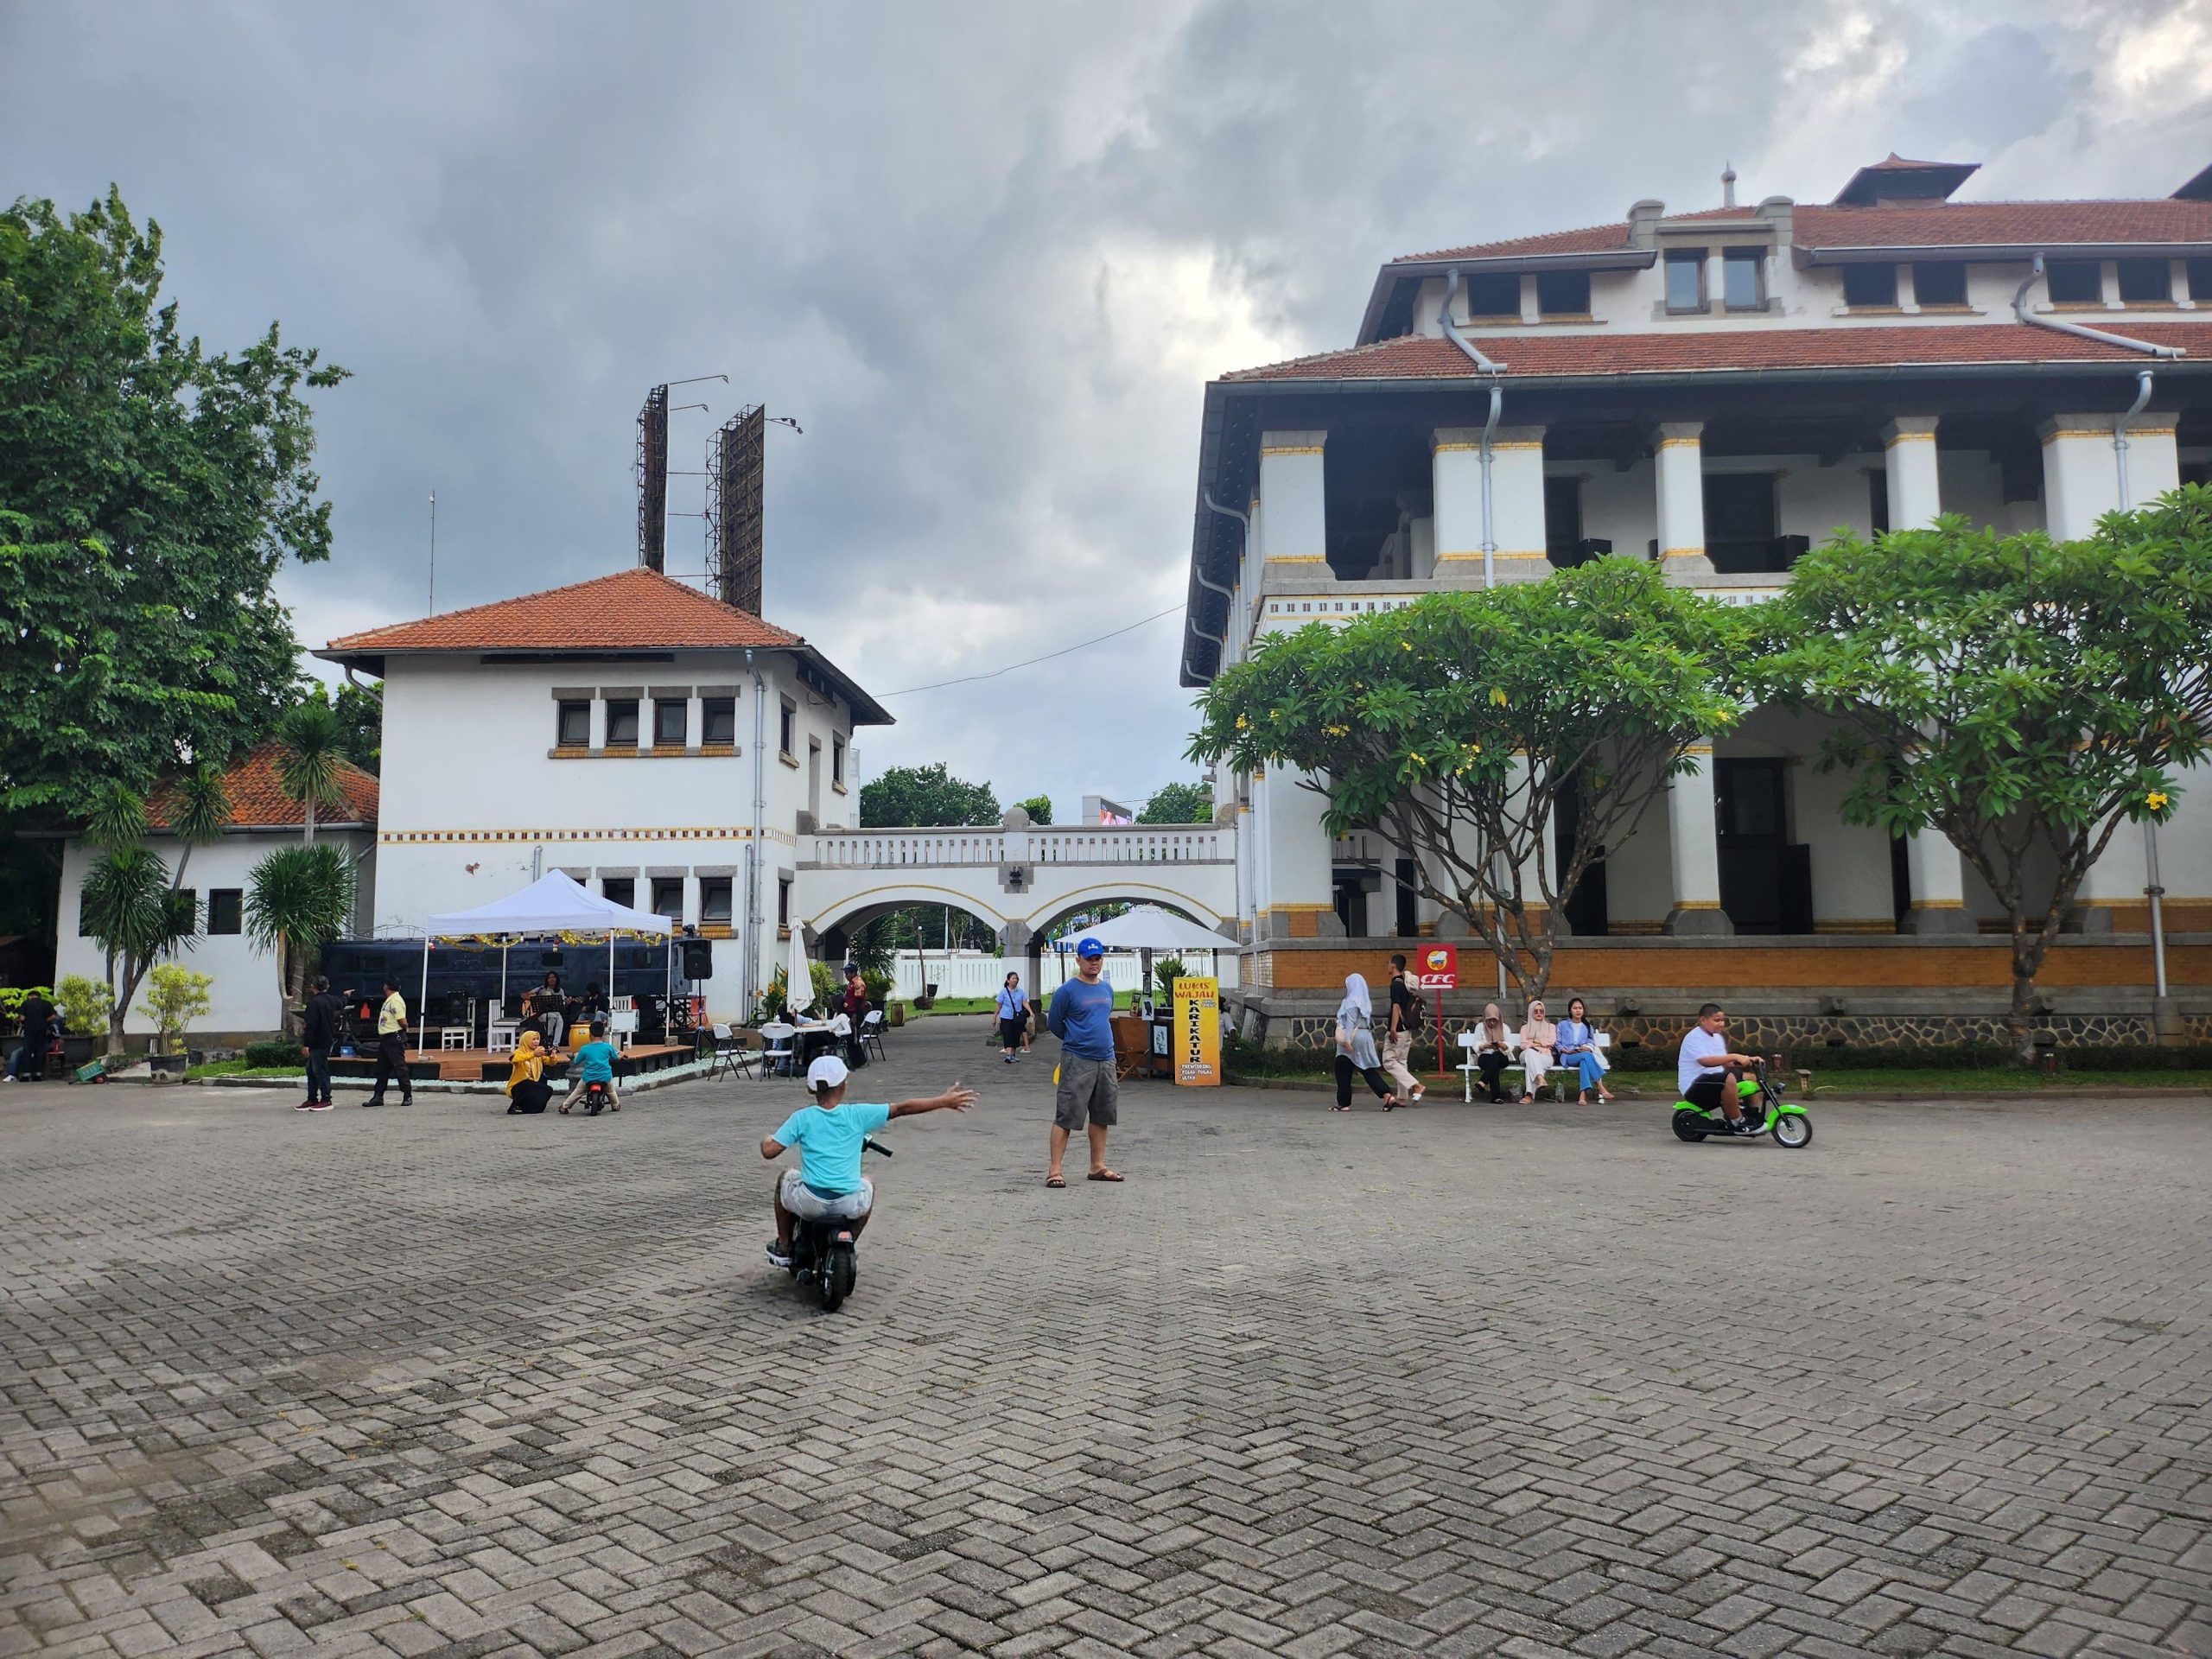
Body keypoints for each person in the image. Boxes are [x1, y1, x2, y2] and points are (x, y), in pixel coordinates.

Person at [761, 1054, 976, 1267]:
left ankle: (784, 1245)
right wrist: (943, 1101)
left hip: (811, 1203)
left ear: (811, 1089)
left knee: (785, 1178)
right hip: (848, 1203)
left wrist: (767, 1140)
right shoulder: (858, 1114)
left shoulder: (802, 1118)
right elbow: (902, 1108)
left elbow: (769, 1151)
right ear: (844, 1085)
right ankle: (849, 1241)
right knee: (868, 1184)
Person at [1046, 936, 1121, 1186]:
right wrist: (1075, 1039)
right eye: (1088, 958)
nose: (1093, 962)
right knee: (1066, 1115)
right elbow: (1055, 1023)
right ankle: (1055, 1170)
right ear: (1078, 960)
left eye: (1097, 957)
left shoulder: (1107, 989)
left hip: (1106, 1060)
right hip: (1077, 1060)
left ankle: (1097, 1166)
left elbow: (1103, 1017)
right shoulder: (1067, 991)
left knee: (1102, 1116)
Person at [1678, 1002, 1763, 1134]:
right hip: (1694, 1085)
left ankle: (1752, 1116)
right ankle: (1737, 1122)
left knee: (1750, 1078)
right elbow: (1705, 1061)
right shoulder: (1694, 1038)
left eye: (1723, 1020)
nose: (1721, 1024)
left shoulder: (1717, 1038)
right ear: (1703, 1020)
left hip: (1713, 1079)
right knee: (1727, 1078)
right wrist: (1734, 1055)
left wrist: (1748, 1059)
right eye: (1716, 1020)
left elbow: (1725, 1062)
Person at [1332, 972, 1398, 1112]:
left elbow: (1350, 1022)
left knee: (1342, 1069)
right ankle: (1387, 1095)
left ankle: (1343, 1102)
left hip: (1351, 1038)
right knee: (1367, 1069)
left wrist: (1347, 1039)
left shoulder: (1350, 1001)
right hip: (1365, 1035)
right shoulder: (1365, 1001)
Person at [1379, 954, 1425, 1103]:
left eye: (1388, 963)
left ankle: (1416, 1085)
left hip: (1398, 1029)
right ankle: (1402, 1097)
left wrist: (1393, 1028)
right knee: (1401, 1061)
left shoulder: (1395, 985)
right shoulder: (1404, 984)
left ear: (1393, 966)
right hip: (1407, 1028)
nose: (1387, 966)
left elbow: (1396, 1008)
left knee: (1388, 1061)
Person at [363, 976, 414, 1108]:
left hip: (394, 1037)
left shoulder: (396, 1001)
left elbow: (402, 1020)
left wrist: (405, 1028)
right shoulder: (390, 1000)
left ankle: (407, 1094)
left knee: (399, 1067)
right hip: (386, 1038)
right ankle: (378, 1096)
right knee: (382, 1068)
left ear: (386, 986)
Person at [1554, 996, 1615, 1105]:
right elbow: (1557, 1043)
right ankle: (1600, 1086)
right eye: (1575, 1008)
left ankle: (1582, 1096)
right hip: (1568, 1056)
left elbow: (1591, 1042)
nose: (1578, 1011)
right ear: (1570, 1010)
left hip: (1582, 1054)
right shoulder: (1562, 1025)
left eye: (1580, 1008)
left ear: (1583, 1010)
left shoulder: (1587, 1026)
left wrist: (1586, 1048)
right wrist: (1567, 1051)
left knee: (1584, 1061)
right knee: (1587, 1056)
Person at [560, 1019, 620, 1113]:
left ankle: (564, 1107)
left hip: (588, 1077)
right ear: (603, 1034)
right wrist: (622, 1054)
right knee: (611, 1091)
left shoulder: (585, 1049)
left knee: (577, 1092)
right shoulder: (608, 1047)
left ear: (590, 1035)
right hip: (605, 1076)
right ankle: (615, 1106)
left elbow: (576, 1061)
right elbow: (616, 1057)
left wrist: (577, 1055)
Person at [297, 976, 339, 1112]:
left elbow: (311, 1025)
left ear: (312, 987)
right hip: (327, 1039)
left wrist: (306, 1044)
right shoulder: (332, 1000)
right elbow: (342, 1002)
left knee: (319, 1070)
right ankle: (312, 1098)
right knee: (311, 1070)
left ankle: (326, 1099)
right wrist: (346, 995)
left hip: (317, 1042)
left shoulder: (314, 1003)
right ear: (328, 987)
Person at [4, 988, 54, 1083]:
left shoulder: (26, 1003)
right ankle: (38, 1075)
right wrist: (43, 1021)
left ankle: (27, 1074)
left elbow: (22, 1018)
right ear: (39, 996)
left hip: (29, 1030)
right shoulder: (46, 1003)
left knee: (28, 1050)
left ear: (29, 996)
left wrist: (21, 1020)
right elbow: (53, 1016)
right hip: (42, 1030)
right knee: (40, 1050)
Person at [1516, 1000, 1558, 1103]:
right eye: (1536, 1011)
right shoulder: (1525, 1028)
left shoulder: (1550, 1027)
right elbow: (1523, 1045)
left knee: (1530, 1065)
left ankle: (1529, 1095)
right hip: (1526, 1054)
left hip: (1545, 1056)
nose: (1539, 1013)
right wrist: (1542, 1043)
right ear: (1531, 1012)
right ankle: (1540, 1078)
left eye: (1541, 1011)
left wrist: (1533, 1041)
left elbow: (1552, 1042)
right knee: (1530, 1053)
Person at [505, 1028, 553, 1114]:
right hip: (517, 1086)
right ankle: (514, 1106)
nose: (536, 1042)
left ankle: (528, 1108)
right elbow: (514, 1059)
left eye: (537, 1039)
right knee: (527, 1084)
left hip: (532, 1084)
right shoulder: (519, 1051)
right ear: (526, 1040)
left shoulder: (538, 1052)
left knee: (548, 1089)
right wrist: (533, 1054)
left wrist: (553, 1056)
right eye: (533, 1039)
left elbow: (550, 1062)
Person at [1472, 1003, 1511, 1103]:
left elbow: (1509, 1045)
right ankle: (1496, 1098)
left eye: (1494, 1020)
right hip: (1485, 1055)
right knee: (1494, 1065)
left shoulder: (1504, 1028)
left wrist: (1503, 1045)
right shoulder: (1480, 1027)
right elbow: (1476, 1044)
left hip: (1502, 1055)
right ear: (1485, 1019)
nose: (1492, 1023)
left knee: (1496, 1057)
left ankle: (1483, 1081)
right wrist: (1484, 1046)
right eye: (1489, 1020)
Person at [838, 963, 873, 1068]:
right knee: (849, 1038)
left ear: (853, 973)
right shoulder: (851, 983)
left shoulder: (858, 983)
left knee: (853, 1038)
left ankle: (860, 1060)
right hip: (850, 1012)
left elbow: (858, 1001)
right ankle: (854, 1060)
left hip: (855, 1014)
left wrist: (854, 1016)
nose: (845, 975)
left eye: (847, 973)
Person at [995, 970, 1030, 1065]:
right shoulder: (1003, 992)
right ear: (1008, 980)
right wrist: (995, 1016)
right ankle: (1009, 1055)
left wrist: (1031, 1011)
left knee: (1015, 1035)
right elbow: (999, 1005)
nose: (1015, 980)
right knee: (1007, 1035)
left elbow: (1024, 1002)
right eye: (1013, 978)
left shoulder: (1020, 991)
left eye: (1016, 978)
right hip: (1006, 1017)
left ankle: (1013, 1055)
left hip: (1017, 1017)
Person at [530, 971, 566, 1046]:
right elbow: (524, 995)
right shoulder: (541, 989)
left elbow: (562, 1004)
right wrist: (531, 998)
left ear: (557, 979)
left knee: (559, 1018)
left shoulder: (560, 991)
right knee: (554, 1016)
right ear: (547, 980)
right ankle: (548, 1038)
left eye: (553, 977)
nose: (551, 979)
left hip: (554, 1013)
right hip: (541, 1014)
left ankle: (555, 1045)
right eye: (549, 978)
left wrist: (566, 1002)